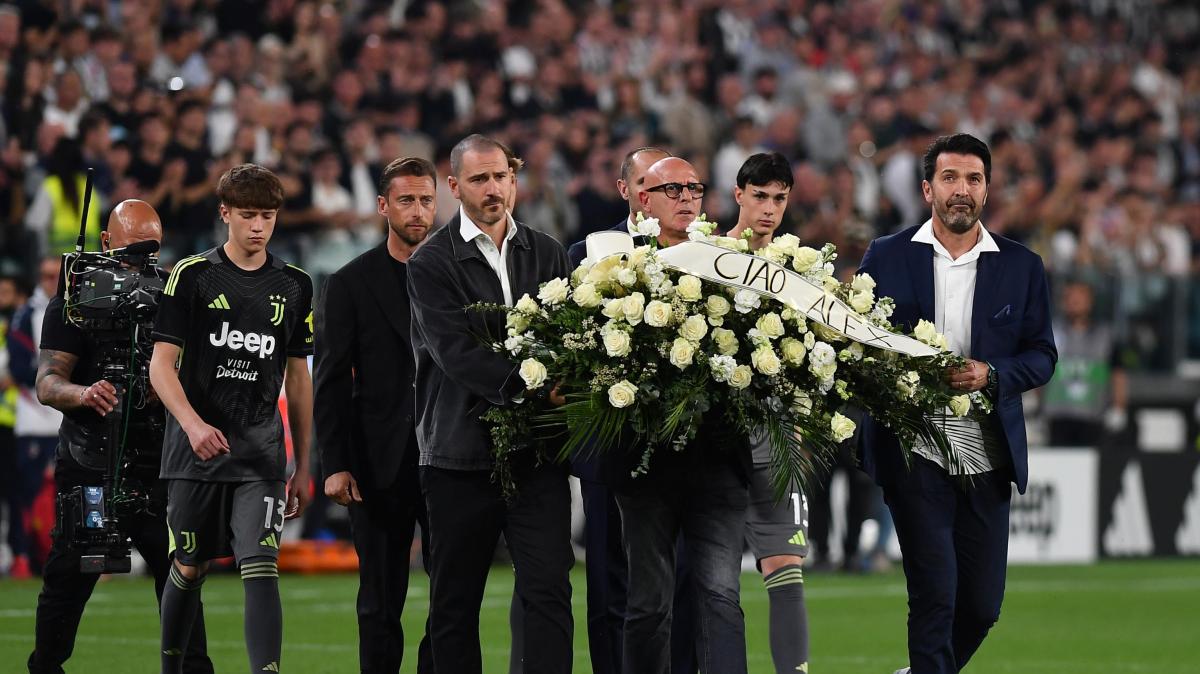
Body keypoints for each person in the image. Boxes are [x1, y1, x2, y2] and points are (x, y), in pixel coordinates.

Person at [857, 134, 1057, 674]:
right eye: (950, 178)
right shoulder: (886, 254)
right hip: (912, 444)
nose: (961, 189)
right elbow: (856, 341)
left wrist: (992, 374)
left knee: (982, 606)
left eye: (973, 179)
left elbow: (1042, 356)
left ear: (987, 190)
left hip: (988, 450)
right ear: (928, 189)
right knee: (935, 593)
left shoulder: (1022, 266)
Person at [407, 134, 573, 674]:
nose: (493, 188)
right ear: (454, 187)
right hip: (458, 456)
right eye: (479, 179)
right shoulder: (430, 261)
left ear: (514, 179)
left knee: (549, 591)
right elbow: (455, 352)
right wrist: (533, 386)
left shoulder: (547, 251)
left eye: (501, 176)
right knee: (455, 603)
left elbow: (568, 336)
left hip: (537, 455)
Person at [27, 200, 213, 674]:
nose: (139, 264)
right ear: (106, 242)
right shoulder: (75, 301)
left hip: (159, 465)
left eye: (150, 252)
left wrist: (167, 387)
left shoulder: (174, 295)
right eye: (132, 251)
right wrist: (85, 393)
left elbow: (201, 376)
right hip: (91, 463)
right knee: (68, 581)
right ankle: (45, 666)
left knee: (181, 578)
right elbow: (47, 382)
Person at [150, 164, 314, 674]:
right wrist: (193, 426)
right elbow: (160, 366)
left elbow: (298, 379)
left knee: (262, 563)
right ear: (225, 214)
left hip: (261, 453)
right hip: (194, 452)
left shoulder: (296, 285)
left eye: (267, 216)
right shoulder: (191, 275)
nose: (258, 226)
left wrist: (303, 464)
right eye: (247, 215)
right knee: (189, 565)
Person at [613, 156, 751, 674]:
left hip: (717, 459)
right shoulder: (611, 263)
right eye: (673, 188)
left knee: (720, 597)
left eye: (694, 187)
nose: (687, 197)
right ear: (642, 199)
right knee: (649, 605)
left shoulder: (729, 260)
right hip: (644, 464)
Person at [313, 157, 436, 673]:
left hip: (451, 458)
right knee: (379, 601)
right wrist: (335, 463)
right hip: (376, 462)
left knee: (453, 599)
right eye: (406, 201)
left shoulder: (459, 275)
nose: (417, 211)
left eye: (426, 200)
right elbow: (331, 380)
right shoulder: (350, 282)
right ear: (383, 206)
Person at [724, 152, 810, 674]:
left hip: (777, 437)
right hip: (715, 440)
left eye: (779, 198)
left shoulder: (800, 271)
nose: (769, 208)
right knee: (709, 577)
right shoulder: (707, 261)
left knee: (785, 564)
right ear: (739, 195)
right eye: (759, 196)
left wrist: (797, 425)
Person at [6, 256, 64, 577]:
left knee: (74, 493)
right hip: (34, 419)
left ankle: (76, 556)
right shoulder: (26, 313)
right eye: (45, 275)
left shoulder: (78, 308)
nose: (50, 280)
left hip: (66, 419)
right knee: (27, 493)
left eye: (55, 275)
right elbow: (18, 367)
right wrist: (57, 376)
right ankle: (24, 557)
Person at [1041, 279, 1128, 447]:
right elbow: (1038, 370)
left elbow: (1118, 374)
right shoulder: (1050, 333)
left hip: (1093, 417)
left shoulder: (1106, 336)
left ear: (1090, 301)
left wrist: (1119, 407)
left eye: (1080, 297)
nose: (1074, 302)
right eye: (1070, 298)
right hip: (1058, 416)